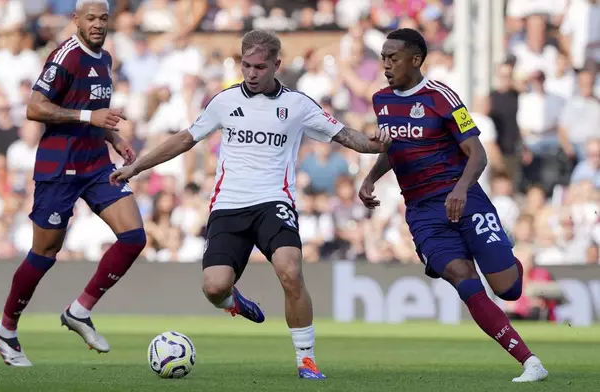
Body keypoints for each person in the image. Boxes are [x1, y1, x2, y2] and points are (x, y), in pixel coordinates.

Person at [110, 29, 390, 379]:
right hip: (229, 205)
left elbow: (347, 136)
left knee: (291, 270)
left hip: (274, 201)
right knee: (214, 286)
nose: (252, 74)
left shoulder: (298, 105)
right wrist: (137, 167)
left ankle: (306, 359)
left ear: (277, 64)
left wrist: (376, 144)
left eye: (259, 67)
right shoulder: (224, 102)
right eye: (246, 66)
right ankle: (233, 301)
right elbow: (184, 139)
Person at [357, 28, 548, 383]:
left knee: (509, 289)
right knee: (463, 278)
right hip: (422, 213)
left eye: (392, 58)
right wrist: (371, 177)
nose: (385, 65)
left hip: (465, 198)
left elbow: (478, 153)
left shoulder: (441, 97)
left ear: (415, 60)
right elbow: (395, 149)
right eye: (382, 58)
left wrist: (460, 189)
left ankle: (503, 250)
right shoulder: (381, 100)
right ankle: (530, 361)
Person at [0, 0, 146, 366]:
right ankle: (5, 329)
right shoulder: (66, 56)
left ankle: (80, 310)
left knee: (134, 237)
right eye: (90, 18)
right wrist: (92, 116)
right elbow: (35, 107)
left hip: (95, 165)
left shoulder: (105, 59)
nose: (97, 24)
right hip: (59, 168)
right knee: (44, 254)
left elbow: (95, 112)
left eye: (103, 18)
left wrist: (114, 138)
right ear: (76, 19)